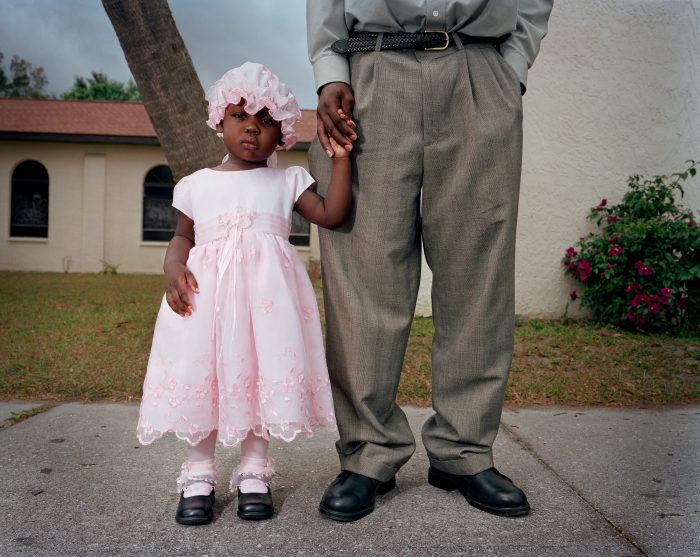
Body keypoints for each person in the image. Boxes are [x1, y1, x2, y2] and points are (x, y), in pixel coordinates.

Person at [306, 1, 553, 521]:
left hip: (479, 74)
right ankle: (368, 451)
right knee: (364, 272)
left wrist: (512, 68)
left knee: (478, 275)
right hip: (368, 76)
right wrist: (330, 68)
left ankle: (464, 451)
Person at [136, 62, 355, 525]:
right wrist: (172, 265)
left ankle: (255, 470)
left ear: (283, 134)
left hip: (266, 306)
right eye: (240, 116)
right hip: (206, 302)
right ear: (220, 121)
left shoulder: (288, 181)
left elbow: (333, 215)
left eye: (267, 120)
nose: (253, 127)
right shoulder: (197, 185)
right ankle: (198, 473)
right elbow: (182, 237)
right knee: (204, 376)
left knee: (259, 375)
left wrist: (340, 160)